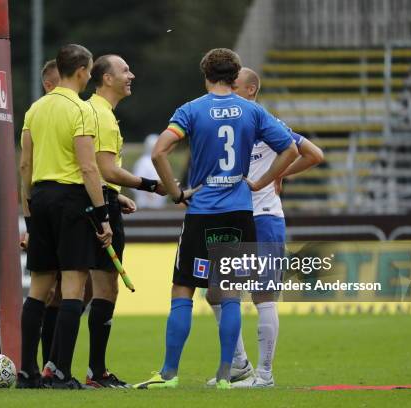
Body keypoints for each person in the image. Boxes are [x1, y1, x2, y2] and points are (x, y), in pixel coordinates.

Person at [134, 48, 298, 389]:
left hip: (202, 209)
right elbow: (292, 151)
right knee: (230, 292)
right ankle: (227, 375)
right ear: (235, 74)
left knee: (183, 289)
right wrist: (261, 182)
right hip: (239, 211)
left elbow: (159, 151)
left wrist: (175, 192)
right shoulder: (253, 111)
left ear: (205, 74)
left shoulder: (191, 110)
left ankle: (169, 374)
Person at [205, 67, 324, 388]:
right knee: (215, 292)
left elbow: (314, 154)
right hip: (233, 219)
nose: (228, 90)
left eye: (235, 85)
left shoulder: (267, 122)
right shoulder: (228, 121)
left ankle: (265, 374)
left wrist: (268, 178)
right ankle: (240, 365)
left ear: (251, 90)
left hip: (264, 219)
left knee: (262, 294)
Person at [17, 44, 111, 390]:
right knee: (73, 284)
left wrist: (28, 211)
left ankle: (26, 371)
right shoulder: (82, 109)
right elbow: (88, 166)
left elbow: (24, 163)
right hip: (70, 199)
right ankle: (59, 372)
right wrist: (103, 215)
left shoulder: (35, 109)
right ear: (84, 71)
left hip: (39, 197)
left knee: (39, 288)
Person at [81, 54, 166, 388]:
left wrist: (116, 194)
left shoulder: (96, 111)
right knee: (102, 288)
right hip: (98, 208)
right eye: (124, 71)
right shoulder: (101, 114)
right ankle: (95, 372)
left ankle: (52, 367)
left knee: (73, 288)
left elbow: (100, 173)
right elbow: (105, 168)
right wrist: (152, 186)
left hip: (96, 199)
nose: (131, 75)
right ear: (106, 78)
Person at [19, 58, 62, 380]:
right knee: (51, 289)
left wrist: (30, 221)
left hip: (41, 207)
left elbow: (25, 168)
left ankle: (34, 367)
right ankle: (41, 366)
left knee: (49, 290)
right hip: (63, 207)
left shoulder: (32, 114)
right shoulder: (69, 110)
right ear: (49, 83)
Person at [133, 134, 168, 209]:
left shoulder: (161, 162)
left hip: (159, 204)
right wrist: (147, 192)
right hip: (144, 204)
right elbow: (136, 181)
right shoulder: (142, 162)